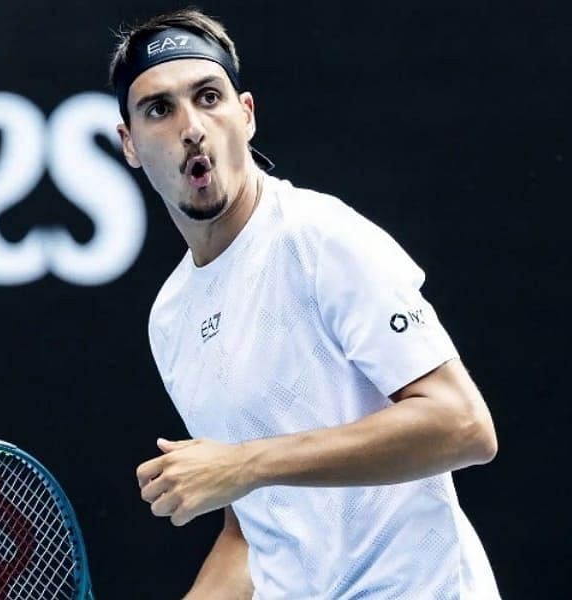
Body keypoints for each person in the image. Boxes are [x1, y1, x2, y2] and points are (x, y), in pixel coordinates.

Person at [114, 9, 500, 599]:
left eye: (208, 97)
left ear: (245, 116)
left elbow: (463, 424)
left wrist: (245, 462)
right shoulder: (170, 319)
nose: (191, 126)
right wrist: (242, 474)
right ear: (130, 145)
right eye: (159, 109)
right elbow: (252, 530)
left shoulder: (320, 237)